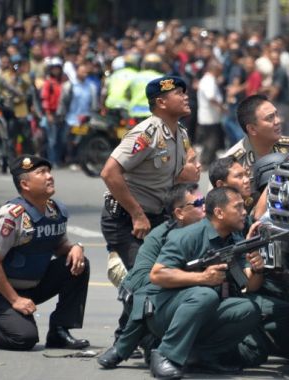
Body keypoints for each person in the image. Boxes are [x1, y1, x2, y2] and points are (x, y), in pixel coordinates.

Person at [209, 156, 289, 365]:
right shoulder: (216, 224)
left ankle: (265, 334)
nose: (247, 180)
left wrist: (256, 268)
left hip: (251, 290)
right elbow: (246, 284)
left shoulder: (243, 214)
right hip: (226, 301)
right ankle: (200, 352)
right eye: (239, 176)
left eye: (247, 175)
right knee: (255, 352)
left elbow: (257, 215)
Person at [0, 154, 90, 351]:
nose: (49, 176)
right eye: (41, 173)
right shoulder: (11, 216)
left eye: (49, 171)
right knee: (24, 338)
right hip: (0, 291)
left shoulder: (54, 210)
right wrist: (15, 300)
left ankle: (59, 331)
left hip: (34, 282)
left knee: (78, 263)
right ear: (25, 185)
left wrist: (76, 247)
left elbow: (59, 246)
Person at [143, 187, 263, 378]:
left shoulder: (233, 238)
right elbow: (157, 275)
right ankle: (165, 354)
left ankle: (200, 357)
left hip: (201, 310)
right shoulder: (188, 236)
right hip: (164, 311)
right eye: (238, 207)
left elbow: (249, 285)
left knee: (248, 309)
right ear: (219, 212)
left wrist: (257, 269)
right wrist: (202, 278)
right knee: (205, 294)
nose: (244, 212)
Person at [98, 183, 205, 369]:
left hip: (192, 298)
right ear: (179, 213)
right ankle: (137, 343)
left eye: (204, 201)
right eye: (198, 203)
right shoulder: (161, 235)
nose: (204, 207)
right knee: (138, 292)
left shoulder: (212, 229)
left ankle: (125, 346)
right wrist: (177, 279)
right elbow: (138, 278)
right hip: (161, 296)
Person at [100, 76, 191, 278]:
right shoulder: (147, 134)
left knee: (175, 272)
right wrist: (137, 214)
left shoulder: (181, 134)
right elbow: (109, 172)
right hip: (127, 221)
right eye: (179, 94)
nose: (185, 98)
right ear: (161, 102)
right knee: (145, 279)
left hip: (157, 218)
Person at [224, 94, 289, 177]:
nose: (278, 121)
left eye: (276, 114)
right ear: (252, 129)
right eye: (270, 118)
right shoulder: (232, 163)